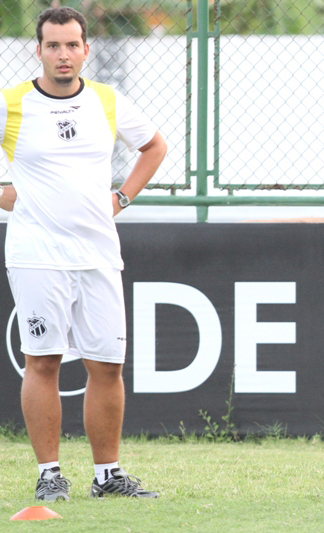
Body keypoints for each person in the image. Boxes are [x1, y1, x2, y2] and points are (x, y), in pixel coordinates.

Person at [0, 7, 167, 500]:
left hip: (98, 255)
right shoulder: (11, 104)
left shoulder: (107, 100)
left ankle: (107, 476)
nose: (63, 54)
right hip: (36, 255)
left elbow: (154, 147)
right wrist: (8, 196)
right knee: (43, 362)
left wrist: (121, 199)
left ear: (86, 50)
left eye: (72, 45)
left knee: (107, 365)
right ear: (38, 51)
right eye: (53, 45)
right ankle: (49, 474)